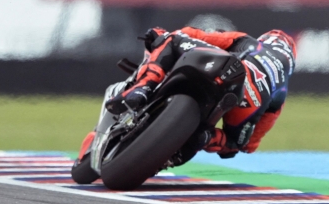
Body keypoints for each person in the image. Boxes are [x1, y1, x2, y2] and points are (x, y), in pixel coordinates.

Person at [101, 26, 295, 159]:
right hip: (250, 101)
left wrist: (159, 35)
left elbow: (198, 36)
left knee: (172, 38)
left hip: (228, 67)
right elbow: (251, 145)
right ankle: (204, 138)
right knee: (235, 143)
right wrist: (234, 143)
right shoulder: (283, 88)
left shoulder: (251, 42)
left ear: (267, 39)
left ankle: (143, 87)